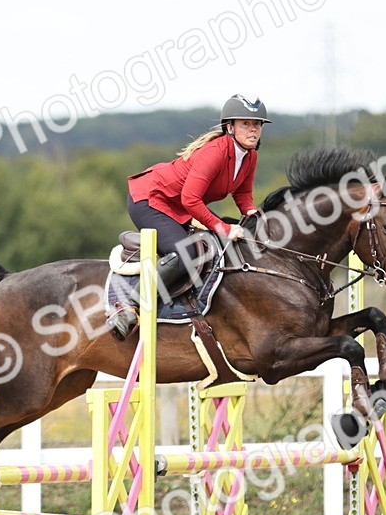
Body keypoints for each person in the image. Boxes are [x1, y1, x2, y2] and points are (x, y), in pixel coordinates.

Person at [108, 94, 270, 339]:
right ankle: (129, 307)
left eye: (257, 124)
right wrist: (224, 228)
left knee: (223, 242)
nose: (253, 129)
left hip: (181, 205)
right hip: (150, 199)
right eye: (246, 124)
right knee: (188, 253)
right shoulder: (215, 152)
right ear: (230, 127)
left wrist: (253, 214)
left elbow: (243, 195)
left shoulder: (250, 156)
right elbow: (191, 199)